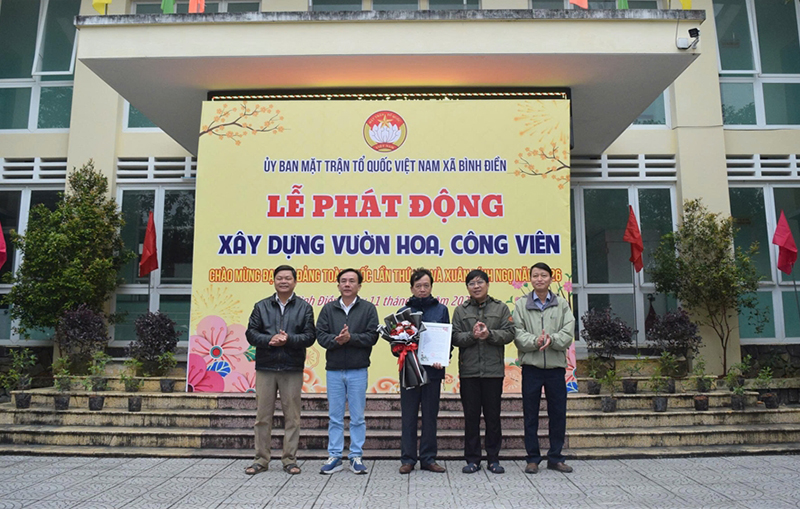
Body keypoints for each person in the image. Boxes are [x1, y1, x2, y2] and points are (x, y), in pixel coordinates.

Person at [244, 265, 316, 476]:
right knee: (262, 416)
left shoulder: (304, 307)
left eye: (287, 278)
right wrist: (270, 339)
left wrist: (289, 339)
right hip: (266, 367)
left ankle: (289, 460)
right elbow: (251, 333)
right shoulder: (261, 306)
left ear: (295, 281)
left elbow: (310, 336)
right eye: (279, 278)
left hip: (292, 367)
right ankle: (260, 460)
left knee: (292, 417)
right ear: (274, 281)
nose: (283, 281)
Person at [451, 269, 516, 474]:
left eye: (480, 282)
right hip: (469, 372)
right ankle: (472, 459)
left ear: (487, 285)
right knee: (471, 417)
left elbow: (509, 333)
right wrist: (472, 336)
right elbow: (454, 337)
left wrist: (489, 334)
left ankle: (493, 459)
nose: (476, 286)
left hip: (493, 372)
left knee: (492, 417)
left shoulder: (501, 308)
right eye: (472, 283)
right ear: (467, 287)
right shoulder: (460, 310)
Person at [513, 262, 575, 474]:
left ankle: (555, 457)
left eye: (543, 275)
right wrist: (535, 341)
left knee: (558, 414)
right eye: (535, 276)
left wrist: (552, 339)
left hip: (556, 368)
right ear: (530, 279)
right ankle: (532, 458)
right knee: (530, 414)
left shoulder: (562, 304)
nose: (539, 279)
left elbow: (568, 332)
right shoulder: (521, 304)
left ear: (551, 278)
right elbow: (518, 333)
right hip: (531, 367)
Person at [316, 268, 379, 475]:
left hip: (358, 369)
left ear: (359, 286)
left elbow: (372, 336)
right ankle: (334, 456)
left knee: (357, 417)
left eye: (352, 281)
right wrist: (337, 340)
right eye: (343, 281)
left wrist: (351, 338)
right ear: (338, 285)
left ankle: (356, 456)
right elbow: (320, 335)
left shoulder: (368, 308)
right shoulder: (328, 309)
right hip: (334, 370)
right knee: (335, 416)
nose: (347, 284)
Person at [396, 268, 449, 474]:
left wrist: (442, 358)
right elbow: (395, 344)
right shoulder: (403, 312)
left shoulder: (441, 310)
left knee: (430, 416)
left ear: (431, 287)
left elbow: (447, 340)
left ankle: (428, 458)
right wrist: (400, 349)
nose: (422, 289)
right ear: (411, 288)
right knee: (408, 416)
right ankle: (408, 459)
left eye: (426, 285)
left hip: (432, 372)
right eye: (418, 286)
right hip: (409, 369)